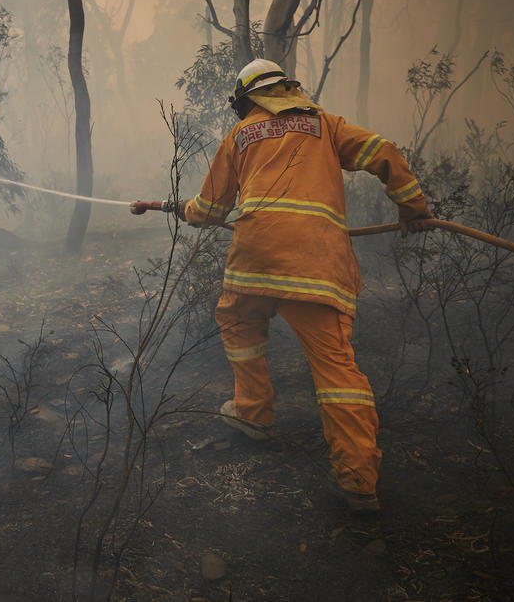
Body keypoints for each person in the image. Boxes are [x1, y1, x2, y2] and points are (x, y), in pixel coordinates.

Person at [176, 59, 434, 512]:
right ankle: (357, 482)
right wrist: (412, 207)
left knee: (239, 322)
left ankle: (252, 413)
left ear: (245, 99)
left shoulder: (239, 135)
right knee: (336, 370)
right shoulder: (327, 125)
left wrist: (184, 210)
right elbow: (384, 151)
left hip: (255, 261)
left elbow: (210, 210)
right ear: (288, 90)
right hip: (316, 266)